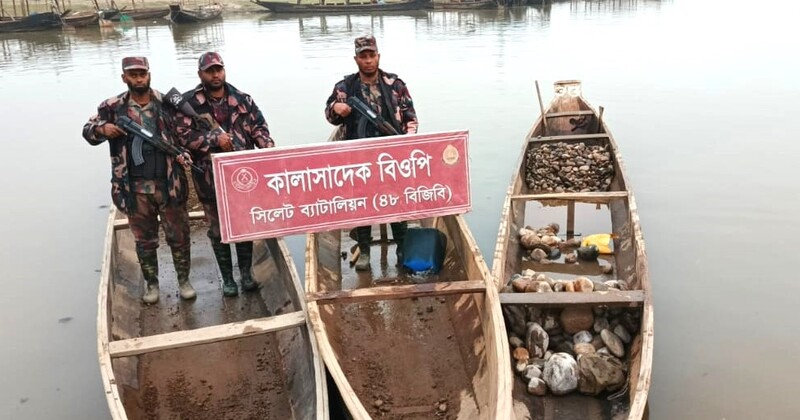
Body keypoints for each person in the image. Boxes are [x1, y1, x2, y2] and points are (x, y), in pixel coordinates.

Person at [82, 56, 195, 304]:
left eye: (142, 74)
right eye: (133, 75)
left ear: (149, 75)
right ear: (124, 77)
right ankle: (152, 285)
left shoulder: (166, 103)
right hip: (134, 189)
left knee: (179, 236)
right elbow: (88, 131)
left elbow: (184, 135)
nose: (138, 78)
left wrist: (183, 154)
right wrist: (103, 129)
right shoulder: (112, 107)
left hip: (169, 184)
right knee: (145, 241)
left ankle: (184, 281)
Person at [174, 52, 276, 297]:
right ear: (201, 74)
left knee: (243, 226)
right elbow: (181, 137)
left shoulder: (243, 99)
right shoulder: (189, 104)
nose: (215, 74)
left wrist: (268, 148)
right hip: (209, 179)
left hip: (243, 177)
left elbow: (259, 128)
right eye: (210, 71)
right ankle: (228, 279)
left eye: (218, 69)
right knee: (218, 230)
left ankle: (246, 275)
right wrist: (214, 139)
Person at [324, 34, 419, 271]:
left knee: (397, 202)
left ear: (378, 56)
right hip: (359, 157)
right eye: (363, 56)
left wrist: (407, 139)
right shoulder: (344, 87)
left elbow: (411, 118)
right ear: (356, 59)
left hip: (391, 156)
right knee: (362, 203)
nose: (368, 60)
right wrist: (337, 108)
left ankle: (402, 248)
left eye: (371, 55)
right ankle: (364, 251)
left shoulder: (395, 84)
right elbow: (329, 115)